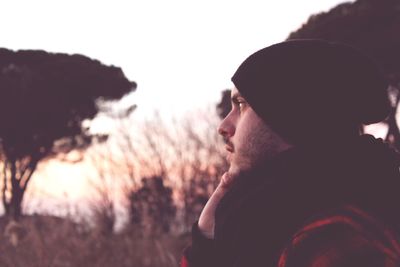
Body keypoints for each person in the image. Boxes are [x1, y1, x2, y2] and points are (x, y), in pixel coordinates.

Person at [180, 39, 400, 267]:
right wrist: (206, 245)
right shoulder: (264, 220)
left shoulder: (333, 240)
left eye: (241, 105)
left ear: (288, 115)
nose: (223, 126)